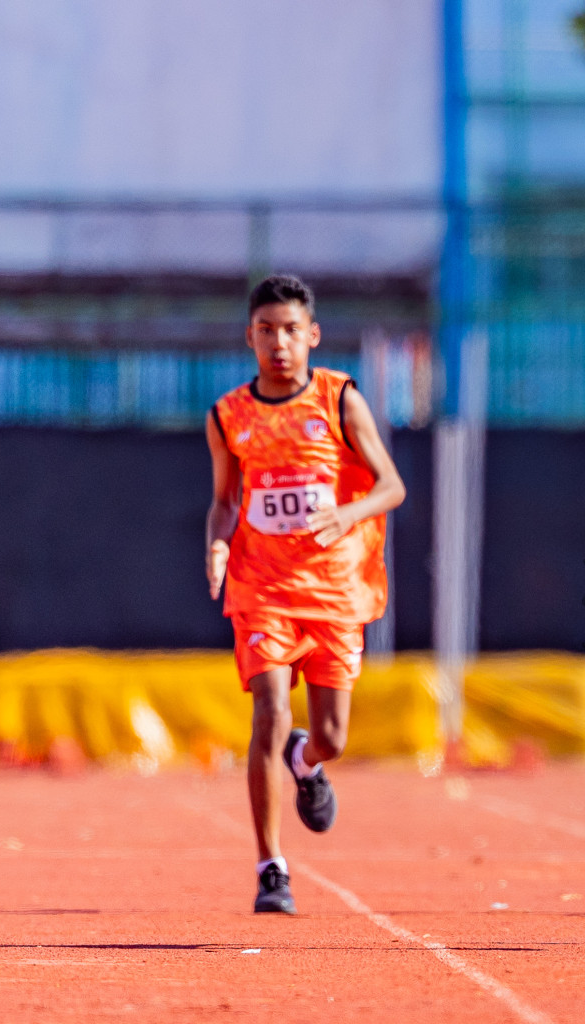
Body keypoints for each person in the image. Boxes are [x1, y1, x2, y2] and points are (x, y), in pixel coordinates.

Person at [206, 274, 406, 914]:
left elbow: (391, 486)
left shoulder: (339, 399)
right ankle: (271, 867)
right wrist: (215, 544)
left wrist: (349, 515)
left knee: (332, 736)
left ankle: (306, 759)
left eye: (291, 330)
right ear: (250, 338)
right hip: (261, 586)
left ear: (312, 335)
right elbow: (223, 501)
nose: (279, 343)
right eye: (266, 331)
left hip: (332, 591)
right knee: (268, 712)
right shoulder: (228, 415)